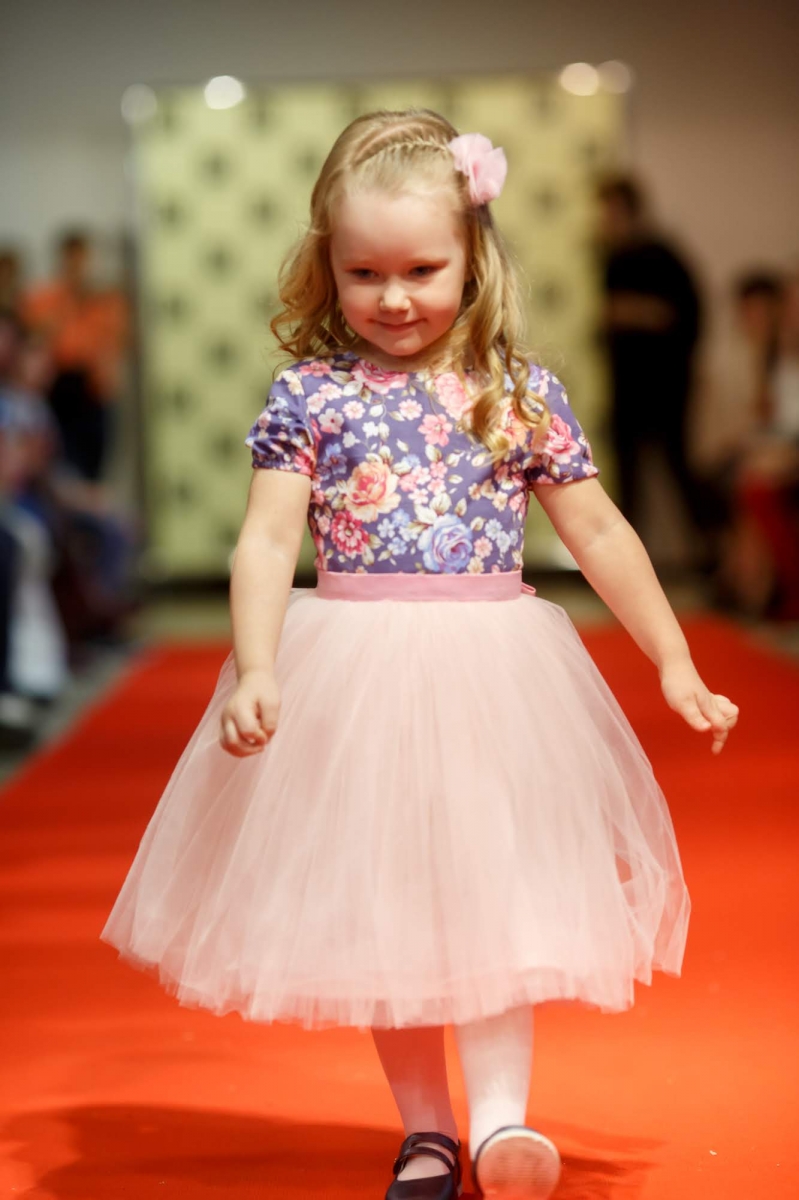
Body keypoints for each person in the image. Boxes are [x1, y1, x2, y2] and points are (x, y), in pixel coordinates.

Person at [102, 111, 738, 1200]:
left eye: (421, 270)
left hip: (491, 674)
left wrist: (673, 659)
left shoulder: (516, 391)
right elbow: (266, 541)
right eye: (364, 273)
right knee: (386, 906)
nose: (393, 298)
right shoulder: (310, 395)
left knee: (495, 889)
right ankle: (428, 1133)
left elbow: (597, 531)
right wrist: (256, 666)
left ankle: (501, 1123)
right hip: (354, 673)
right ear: (327, 267)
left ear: (473, 257)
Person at [596, 175, 715, 564]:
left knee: (678, 471)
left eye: (611, 211)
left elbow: (688, 317)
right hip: (626, 388)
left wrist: (635, 312)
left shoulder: (662, 256)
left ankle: (711, 556)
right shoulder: (610, 258)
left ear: (629, 210)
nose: (605, 220)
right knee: (628, 481)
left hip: (665, 387)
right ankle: (623, 565)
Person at [23, 230, 128, 482]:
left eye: (83, 260)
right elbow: (33, 340)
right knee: (59, 466)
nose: (78, 268)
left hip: (94, 393)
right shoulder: (43, 299)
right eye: (72, 260)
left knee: (94, 467)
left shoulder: (107, 302)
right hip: (56, 391)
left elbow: (119, 343)